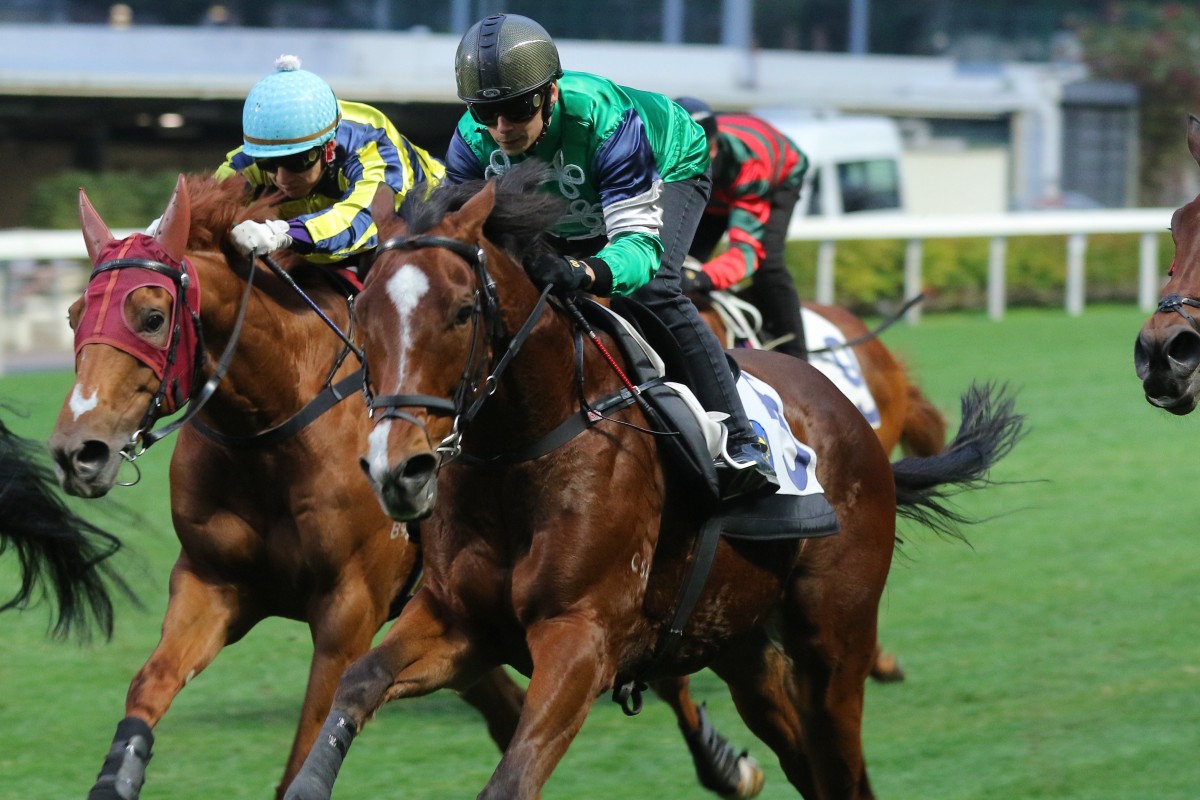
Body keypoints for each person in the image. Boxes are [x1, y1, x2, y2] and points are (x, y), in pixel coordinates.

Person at [444, 13, 776, 500]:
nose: (500, 128)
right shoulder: (471, 143)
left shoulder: (604, 117)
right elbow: (460, 243)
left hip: (669, 162)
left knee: (653, 287)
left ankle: (743, 438)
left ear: (550, 93)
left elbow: (637, 248)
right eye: (483, 112)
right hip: (578, 195)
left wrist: (582, 270)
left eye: (517, 109)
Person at [215, 55, 445, 267]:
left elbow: (365, 219)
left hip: (424, 222)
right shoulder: (256, 154)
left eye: (297, 161)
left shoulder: (371, 143)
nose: (281, 178)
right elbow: (213, 197)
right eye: (268, 163)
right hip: (317, 244)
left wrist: (283, 233)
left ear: (329, 149)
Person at [674, 97, 810, 360]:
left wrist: (702, 279)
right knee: (683, 261)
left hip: (774, 176)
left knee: (767, 264)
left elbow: (746, 250)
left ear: (712, 149)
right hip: (723, 180)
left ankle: (800, 358)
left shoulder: (750, 166)